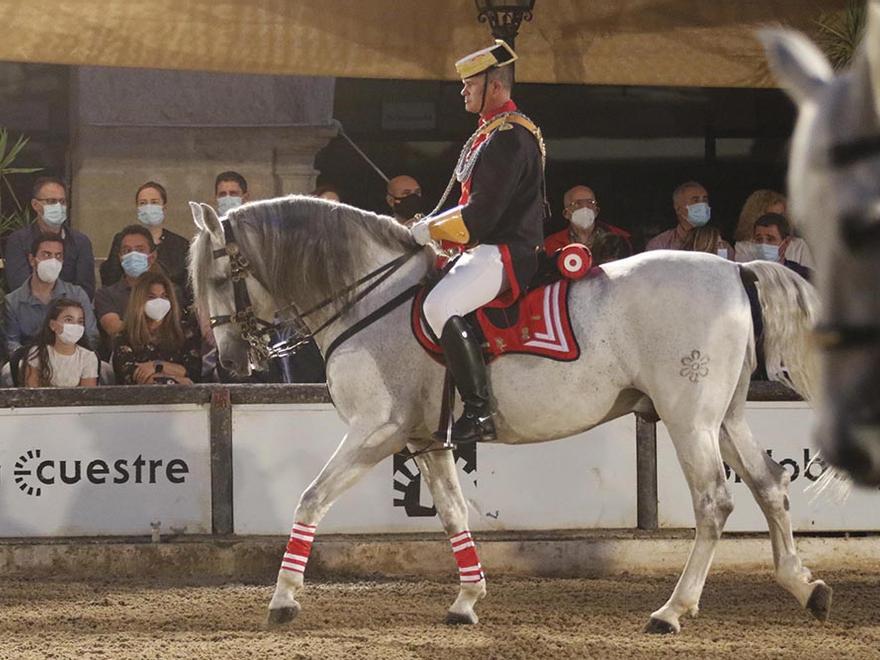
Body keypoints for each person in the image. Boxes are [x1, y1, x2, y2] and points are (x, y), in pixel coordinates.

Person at [410, 40, 547, 444]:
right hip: (487, 246)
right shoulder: (490, 133)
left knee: (440, 305)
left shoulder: (507, 137)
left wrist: (430, 230)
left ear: (496, 87)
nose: (463, 91)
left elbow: (481, 217)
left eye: (470, 84)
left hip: (504, 250)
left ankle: (479, 410)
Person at [4, 233, 98, 357]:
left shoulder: (77, 294)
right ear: (32, 260)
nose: (53, 261)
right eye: (46, 255)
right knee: (7, 373)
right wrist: (32, 361)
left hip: (73, 358)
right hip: (30, 360)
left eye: (58, 256)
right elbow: (12, 342)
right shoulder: (13, 301)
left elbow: (91, 336)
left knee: (104, 372)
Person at [4, 176, 96, 298]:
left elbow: (86, 289)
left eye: (62, 202)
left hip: (70, 311)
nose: (58, 206)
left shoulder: (80, 242)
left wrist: (62, 312)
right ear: (35, 205)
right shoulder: (18, 241)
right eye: (51, 201)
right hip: (29, 310)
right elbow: (18, 285)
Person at [112, 271, 200, 385]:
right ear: (139, 300)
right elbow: (136, 378)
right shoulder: (124, 337)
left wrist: (156, 366)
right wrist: (178, 378)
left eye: (164, 296)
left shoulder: (185, 332)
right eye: (151, 297)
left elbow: (193, 373)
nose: (159, 302)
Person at [100, 181, 191, 291]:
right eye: (143, 203)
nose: (148, 207)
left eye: (154, 202)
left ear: (164, 207)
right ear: (137, 208)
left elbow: (187, 287)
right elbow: (110, 279)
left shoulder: (180, 245)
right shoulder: (122, 240)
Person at [94, 225, 163, 354]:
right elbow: (114, 329)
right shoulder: (106, 295)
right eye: (127, 250)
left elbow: (175, 330)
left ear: (152, 256)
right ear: (120, 257)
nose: (133, 255)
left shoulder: (169, 292)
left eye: (140, 250)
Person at [544, 185, 632, 264]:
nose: (585, 208)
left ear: (596, 211)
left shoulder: (620, 239)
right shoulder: (551, 244)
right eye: (577, 204)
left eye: (590, 203)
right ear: (566, 213)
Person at [24, 298, 99, 387]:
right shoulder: (38, 353)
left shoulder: (88, 357)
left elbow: (88, 396)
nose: (75, 326)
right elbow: (31, 394)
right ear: (52, 325)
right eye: (68, 320)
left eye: (80, 321)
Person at [646, 181, 733, 257]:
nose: (702, 204)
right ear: (678, 208)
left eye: (705, 199)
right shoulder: (660, 245)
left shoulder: (720, 245)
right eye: (695, 200)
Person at [734, 190, 815, 269]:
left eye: (781, 215)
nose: (778, 221)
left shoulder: (798, 245)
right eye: (771, 216)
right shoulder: (742, 248)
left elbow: (812, 279)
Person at [752, 212, 814, 280]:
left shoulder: (802, 277)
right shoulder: (745, 276)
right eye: (759, 239)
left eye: (770, 239)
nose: (763, 244)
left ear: (786, 243)